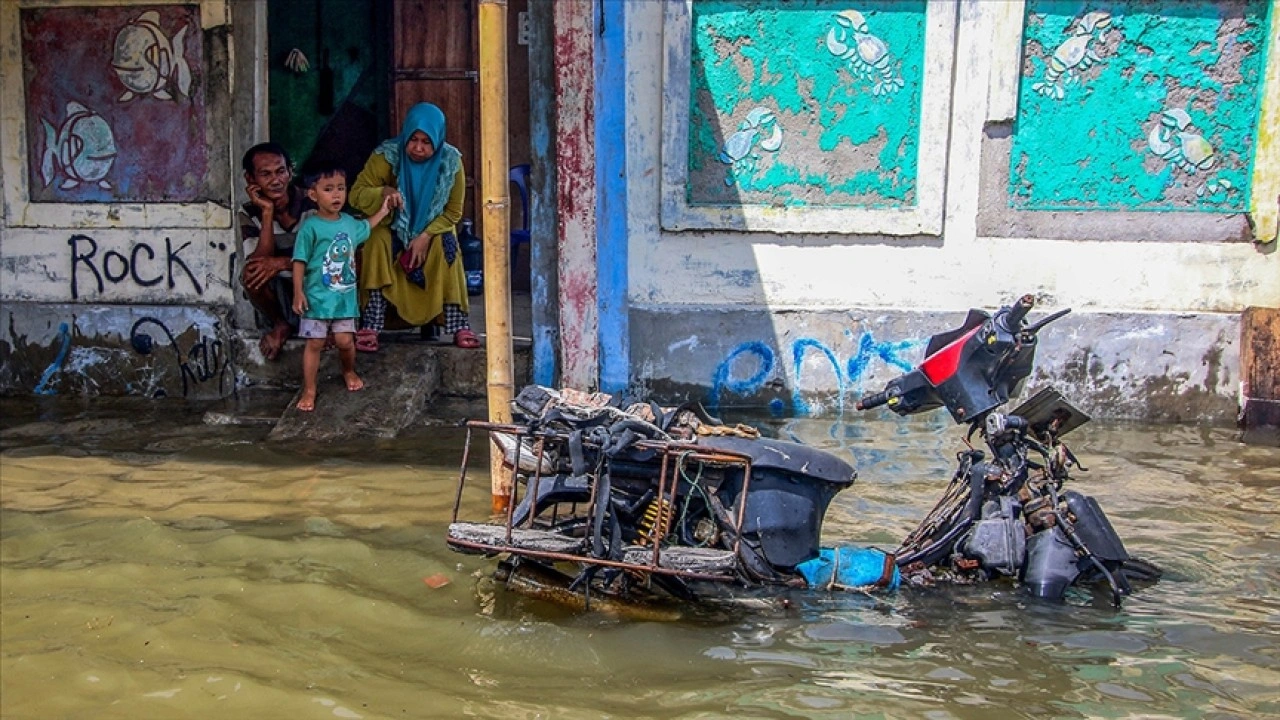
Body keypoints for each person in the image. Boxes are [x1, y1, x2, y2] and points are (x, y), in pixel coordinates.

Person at [349, 102, 480, 351]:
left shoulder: (451, 162)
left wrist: (426, 235)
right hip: (392, 226)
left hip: (433, 229)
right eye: (413, 139)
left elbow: (453, 212)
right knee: (376, 240)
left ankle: (458, 324)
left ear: (438, 141)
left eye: (427, 142)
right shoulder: (386, 156)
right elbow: (356, 195)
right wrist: (383, 192)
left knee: (447, 244)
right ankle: (371, 324)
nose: (418, 148)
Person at [291, 166, 392, 412]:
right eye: (328, 190)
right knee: (314, 342)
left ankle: (348, 370)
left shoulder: (349, 223)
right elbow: (299, 261)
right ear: (313, 195)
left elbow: (367, 227)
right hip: (316, 298)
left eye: (340, 188)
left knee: (345, 341)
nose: (336, 195)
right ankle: (310, 389)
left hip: (344, 299)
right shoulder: (310, 227)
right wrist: (298, 292)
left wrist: (383, 210)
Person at [239, 142, 316, 360]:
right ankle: (280, 324)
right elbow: (258, 263)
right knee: (250, 274)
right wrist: (266, 213)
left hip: (315, 286)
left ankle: (327, 325)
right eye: (265, 174)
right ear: (251, 180)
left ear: (290, 172)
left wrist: (282, 262)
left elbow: (331, 259)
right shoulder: (248, 211)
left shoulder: (314, 202)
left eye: (281, 171)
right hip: (283, 291)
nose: (276, 180)